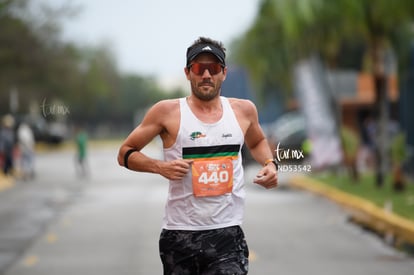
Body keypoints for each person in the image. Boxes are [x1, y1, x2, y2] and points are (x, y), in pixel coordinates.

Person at [118, 37, 278, 275]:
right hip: (180, 236)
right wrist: (160, 167)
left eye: (213, 68)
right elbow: (125, 153)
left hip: (228, 235)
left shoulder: (243, 110)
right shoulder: (166, 112)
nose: (206, 75)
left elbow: (257, 141)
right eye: (198, 68)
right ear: (187, 73)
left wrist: (269, 164)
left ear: (223, 73)